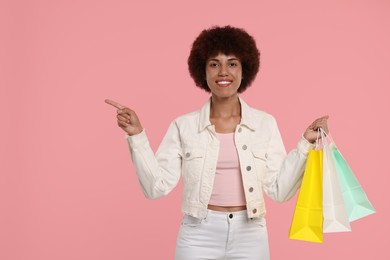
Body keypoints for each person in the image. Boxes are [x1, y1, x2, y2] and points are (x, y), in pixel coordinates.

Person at [105, 25, 329, 260]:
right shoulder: (184, 126)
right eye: (214, 64)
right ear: (202, 71)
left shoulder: (265, 124)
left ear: (245, 71)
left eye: (232, 63)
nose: (223, 72)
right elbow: (155, 187)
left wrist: (305, 144)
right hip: (197, 234)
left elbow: (279, 191)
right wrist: (137, 135)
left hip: (251, 234)